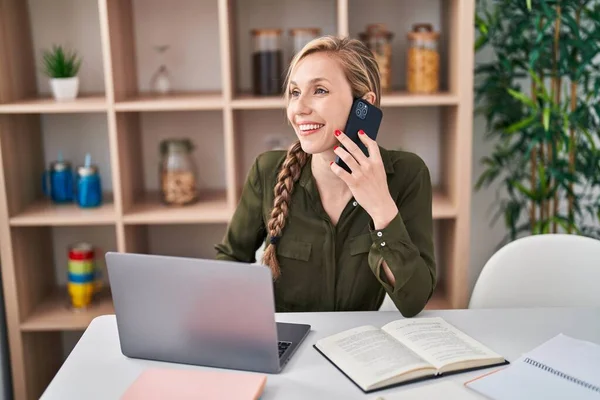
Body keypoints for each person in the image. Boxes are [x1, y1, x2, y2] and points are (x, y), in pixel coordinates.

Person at [215, 35, 436, 317]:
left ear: (364, 104)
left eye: (319, 90)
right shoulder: (267, 171)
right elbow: (229, 259)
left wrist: (381, 206)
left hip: (357, 347)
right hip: (284, 345)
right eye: (295, 93)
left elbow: (413, 300)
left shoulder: (407, 174)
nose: (299, 108)